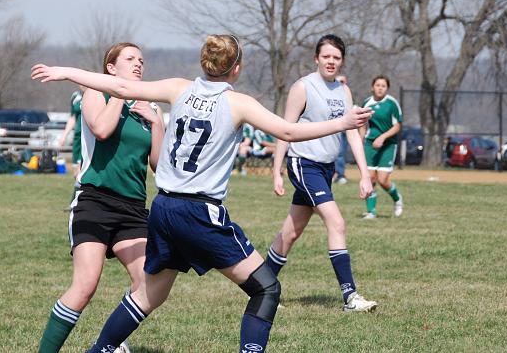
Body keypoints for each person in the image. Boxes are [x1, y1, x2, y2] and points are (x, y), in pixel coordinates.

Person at [31, 34, 373, 353]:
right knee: (266, 289)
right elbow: (288, 130)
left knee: (151, 294)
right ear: (236, 68)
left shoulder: (178, 88)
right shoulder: (238, 103)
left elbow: (119, 85)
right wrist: (342, 123)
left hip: (163, 208)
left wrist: (66, 72)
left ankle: (99, 350)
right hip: (198, 212)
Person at [37, 42, 165, 353]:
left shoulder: (151, 105)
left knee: (148, 284)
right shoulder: (96, 93)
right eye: (130, 59)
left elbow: (158, 166)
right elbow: (102, 129)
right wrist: (121, 94)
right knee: (85, 287)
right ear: (111, 68)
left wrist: (157, 122)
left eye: (141, 60)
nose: (138, 64)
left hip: (133, 208)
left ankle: (109, 345)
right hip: (94, 201)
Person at [264, 35, 377, 313]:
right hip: (304, 164)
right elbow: (284, 130)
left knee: (291, 232)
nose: (331, 61)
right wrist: (277, 169)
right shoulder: (303, 87)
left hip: (325, 169)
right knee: (336, 222)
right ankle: (350, 297)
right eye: (326, 56)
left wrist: (364, 174)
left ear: (342, 61)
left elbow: (352, 134)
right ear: (317, 58)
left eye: (336, 58)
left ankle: (260, 287)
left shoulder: (343, 91)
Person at [360, 75, 404, 219]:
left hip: (388, 145)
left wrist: (382, 137)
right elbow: (363, 125)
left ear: (387, 88)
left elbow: (397, 126)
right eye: (377, 85)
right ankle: (371, 211)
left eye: (383, 86)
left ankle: (397, 199)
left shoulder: (391, 103)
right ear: (372, 87)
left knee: (383, 180)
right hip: (370, 144)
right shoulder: (366, 103)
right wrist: (359, 142)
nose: (380, 88)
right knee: (370, 178)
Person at [58, 88, 83, 178]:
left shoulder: (97, 94)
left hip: (89, 139)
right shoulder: (76, 96)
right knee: (75, 172)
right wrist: (64, 135)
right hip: (77, 139)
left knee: (81, 172)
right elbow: (72, 117)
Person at [332, 74, 349, 185]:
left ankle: (341, 175)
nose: (341, 84)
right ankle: (331, 174)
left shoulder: (347, 95)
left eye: (343, 82)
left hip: (342, 132)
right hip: (328, 131)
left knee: (339, 154)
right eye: (339, 81)